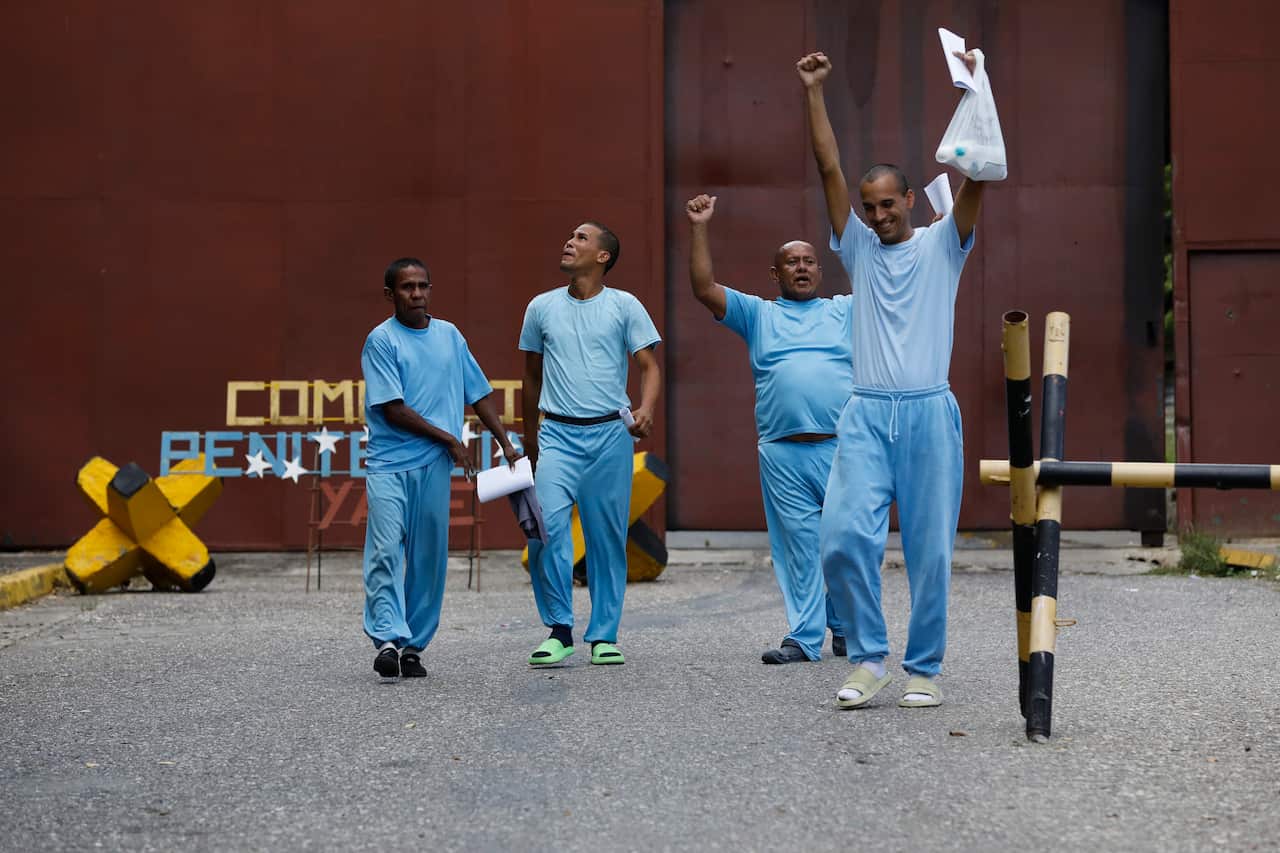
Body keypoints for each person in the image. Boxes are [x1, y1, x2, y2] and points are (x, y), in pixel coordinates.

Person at [798, 48, 988, 708]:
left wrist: (976, 90)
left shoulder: (943, 244)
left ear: (910, 200)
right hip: (866, 414)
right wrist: (814, 90)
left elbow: (979, 175)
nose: (878, 216)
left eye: (888, 205)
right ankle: (870, 658)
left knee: (930, 550)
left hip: (930, 412)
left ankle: (925, 669)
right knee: (842, 538)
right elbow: (828, 165)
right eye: (869, 207)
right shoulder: (856, 247)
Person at [685, 193, 849, 664]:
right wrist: (699, 226)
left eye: (809, 261)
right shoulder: (759, 314)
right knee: (799, 548)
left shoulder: (845, 310)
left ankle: (846, 628)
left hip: (842, 448)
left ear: (820, 271)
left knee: (844, 543)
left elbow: (896, 289)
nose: (802, 268)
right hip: (782, 452)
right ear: (775, 275)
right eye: (791, 263)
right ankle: (804, 636)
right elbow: (704, 288)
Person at [361, 257, 519, 679]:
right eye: (407, 287)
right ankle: (388, 639)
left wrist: (505, 442)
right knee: (384, 550)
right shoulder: (381, 340)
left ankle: (412, 647)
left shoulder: (450, 335)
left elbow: (478, 393)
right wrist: (450, 439)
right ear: (390, 294)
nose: (416, 294)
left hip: (433, 465)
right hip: (388, 464)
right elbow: (392, 409)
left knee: (429, 559)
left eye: (423, 286)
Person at [519, 222, 661, 667]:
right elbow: (530, 376)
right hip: (557, 435)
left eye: (582, 238)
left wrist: (646, 407)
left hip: (610, 436)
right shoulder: (541, 307)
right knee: (546, 530)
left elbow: (649, 366)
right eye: (569, 236)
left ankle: (604, 635)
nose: (569, 241)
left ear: (603, 256)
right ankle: (559, 631)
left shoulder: (625, 305)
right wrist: (529, 439)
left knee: (606, 538)